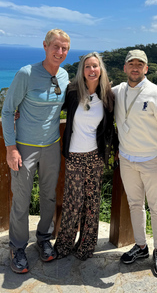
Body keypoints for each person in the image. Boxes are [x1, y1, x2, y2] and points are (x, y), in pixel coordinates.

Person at [1, 29, 70, 274]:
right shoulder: (26, 73)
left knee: (49, 196)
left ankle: (43, 239)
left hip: (52, 146)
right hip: (25, 148)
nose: (59, 52)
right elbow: (8, 111)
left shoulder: (64, 75)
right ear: (45, 46)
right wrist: (11, 149)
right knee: (22, 199)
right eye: (56, 47)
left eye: (64, 48)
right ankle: (17, 247)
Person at [112, 49, 157, 277]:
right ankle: (141, 247)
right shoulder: (118, 92)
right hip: (127, 160)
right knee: (134, 204)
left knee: (156, 208)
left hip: (152, 161)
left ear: (146, 69)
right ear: (124, 68)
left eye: (140, 64)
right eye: (131, 64)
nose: (135, 67)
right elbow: (91, 97)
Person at [54, 52, 116, 260]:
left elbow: (112, 127)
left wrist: (115, 149)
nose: (91, 70)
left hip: (95, 156)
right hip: (74, 155)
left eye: (95, 66)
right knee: (73, 203)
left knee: (92, 203)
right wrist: (20, 111)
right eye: (87, 66)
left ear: (101, 70)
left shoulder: (108, 95)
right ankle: (63, 245)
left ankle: (86, 247)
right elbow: (51, 107)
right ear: (82, 70)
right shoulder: (72, 93)